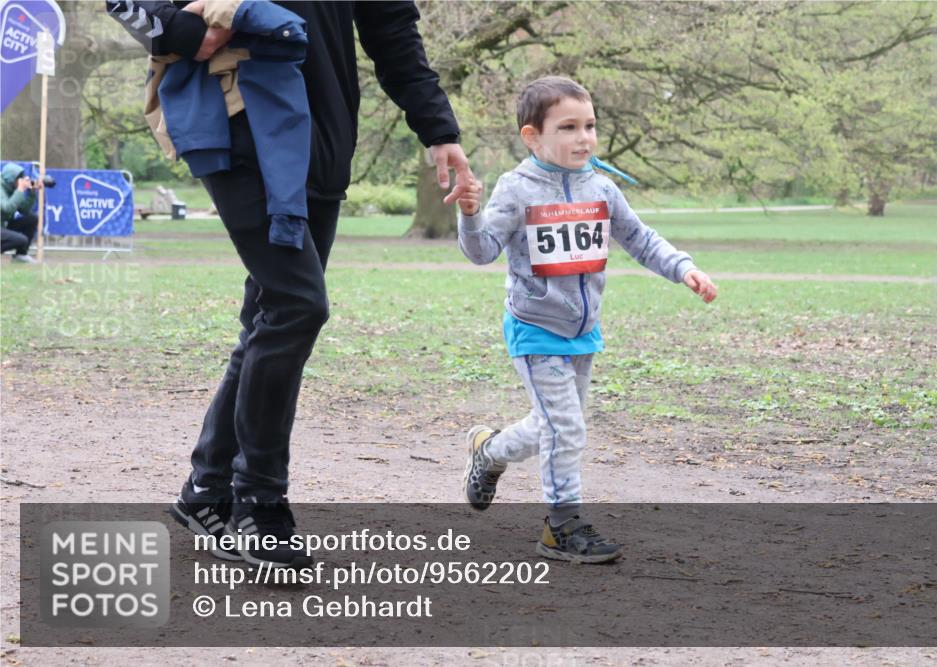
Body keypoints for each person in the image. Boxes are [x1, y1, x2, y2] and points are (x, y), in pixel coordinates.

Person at [107, 0, 475, 568]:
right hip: (235, 110)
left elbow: (391, 28)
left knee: (272, 313)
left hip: (324, 134)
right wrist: (175, 29)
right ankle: (259, 503)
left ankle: (206, 488)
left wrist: (438, 127)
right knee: (297, 304)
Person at [457, 76, 718, 564]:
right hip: (535, 330)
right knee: (567, 429)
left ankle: (488, 452)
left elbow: (640, 239)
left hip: (583, 332)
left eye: (590, 126)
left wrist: (684, 268)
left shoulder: (601, 186)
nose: (584, 138)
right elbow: (482, 251)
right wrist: (470, 214)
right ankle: (561, 526)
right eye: (569, 127)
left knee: (551, 427)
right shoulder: (515, 189)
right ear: (532, 136)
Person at [1, 163, 41, 263]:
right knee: (21, 240)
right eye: (18, 179)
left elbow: (24, 209)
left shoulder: (10, 188)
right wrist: (20, 189)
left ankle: (21, 255)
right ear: (11, 180)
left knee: (32, 218)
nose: (21, 182)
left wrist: (32, 193)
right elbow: (7, 208)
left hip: (3, 226)